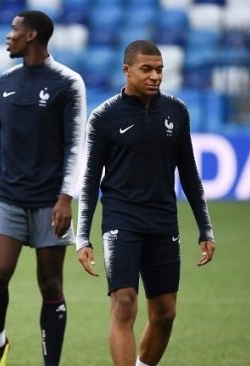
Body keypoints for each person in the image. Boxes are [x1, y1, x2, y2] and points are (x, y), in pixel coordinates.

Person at [0, 10, 87, 366]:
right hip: (8, 199)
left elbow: (76, 145)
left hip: (50, 203)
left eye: (13, 29)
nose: (7, 36)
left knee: (50, 286)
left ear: (32, 35)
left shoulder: (68, 81)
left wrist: (65, 198)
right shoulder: (5, 81)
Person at [76, 40, 217, 366]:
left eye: (160, 69)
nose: (155, 76)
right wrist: (82, 237)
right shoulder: (103, 117)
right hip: (120, 219)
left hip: (163, 221)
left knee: (165, 313)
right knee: (124, 303)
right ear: (126, 71)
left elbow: (190, 176)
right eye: (147, 69)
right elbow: (89, 181)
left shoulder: (177, 112)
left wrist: (205, 229)